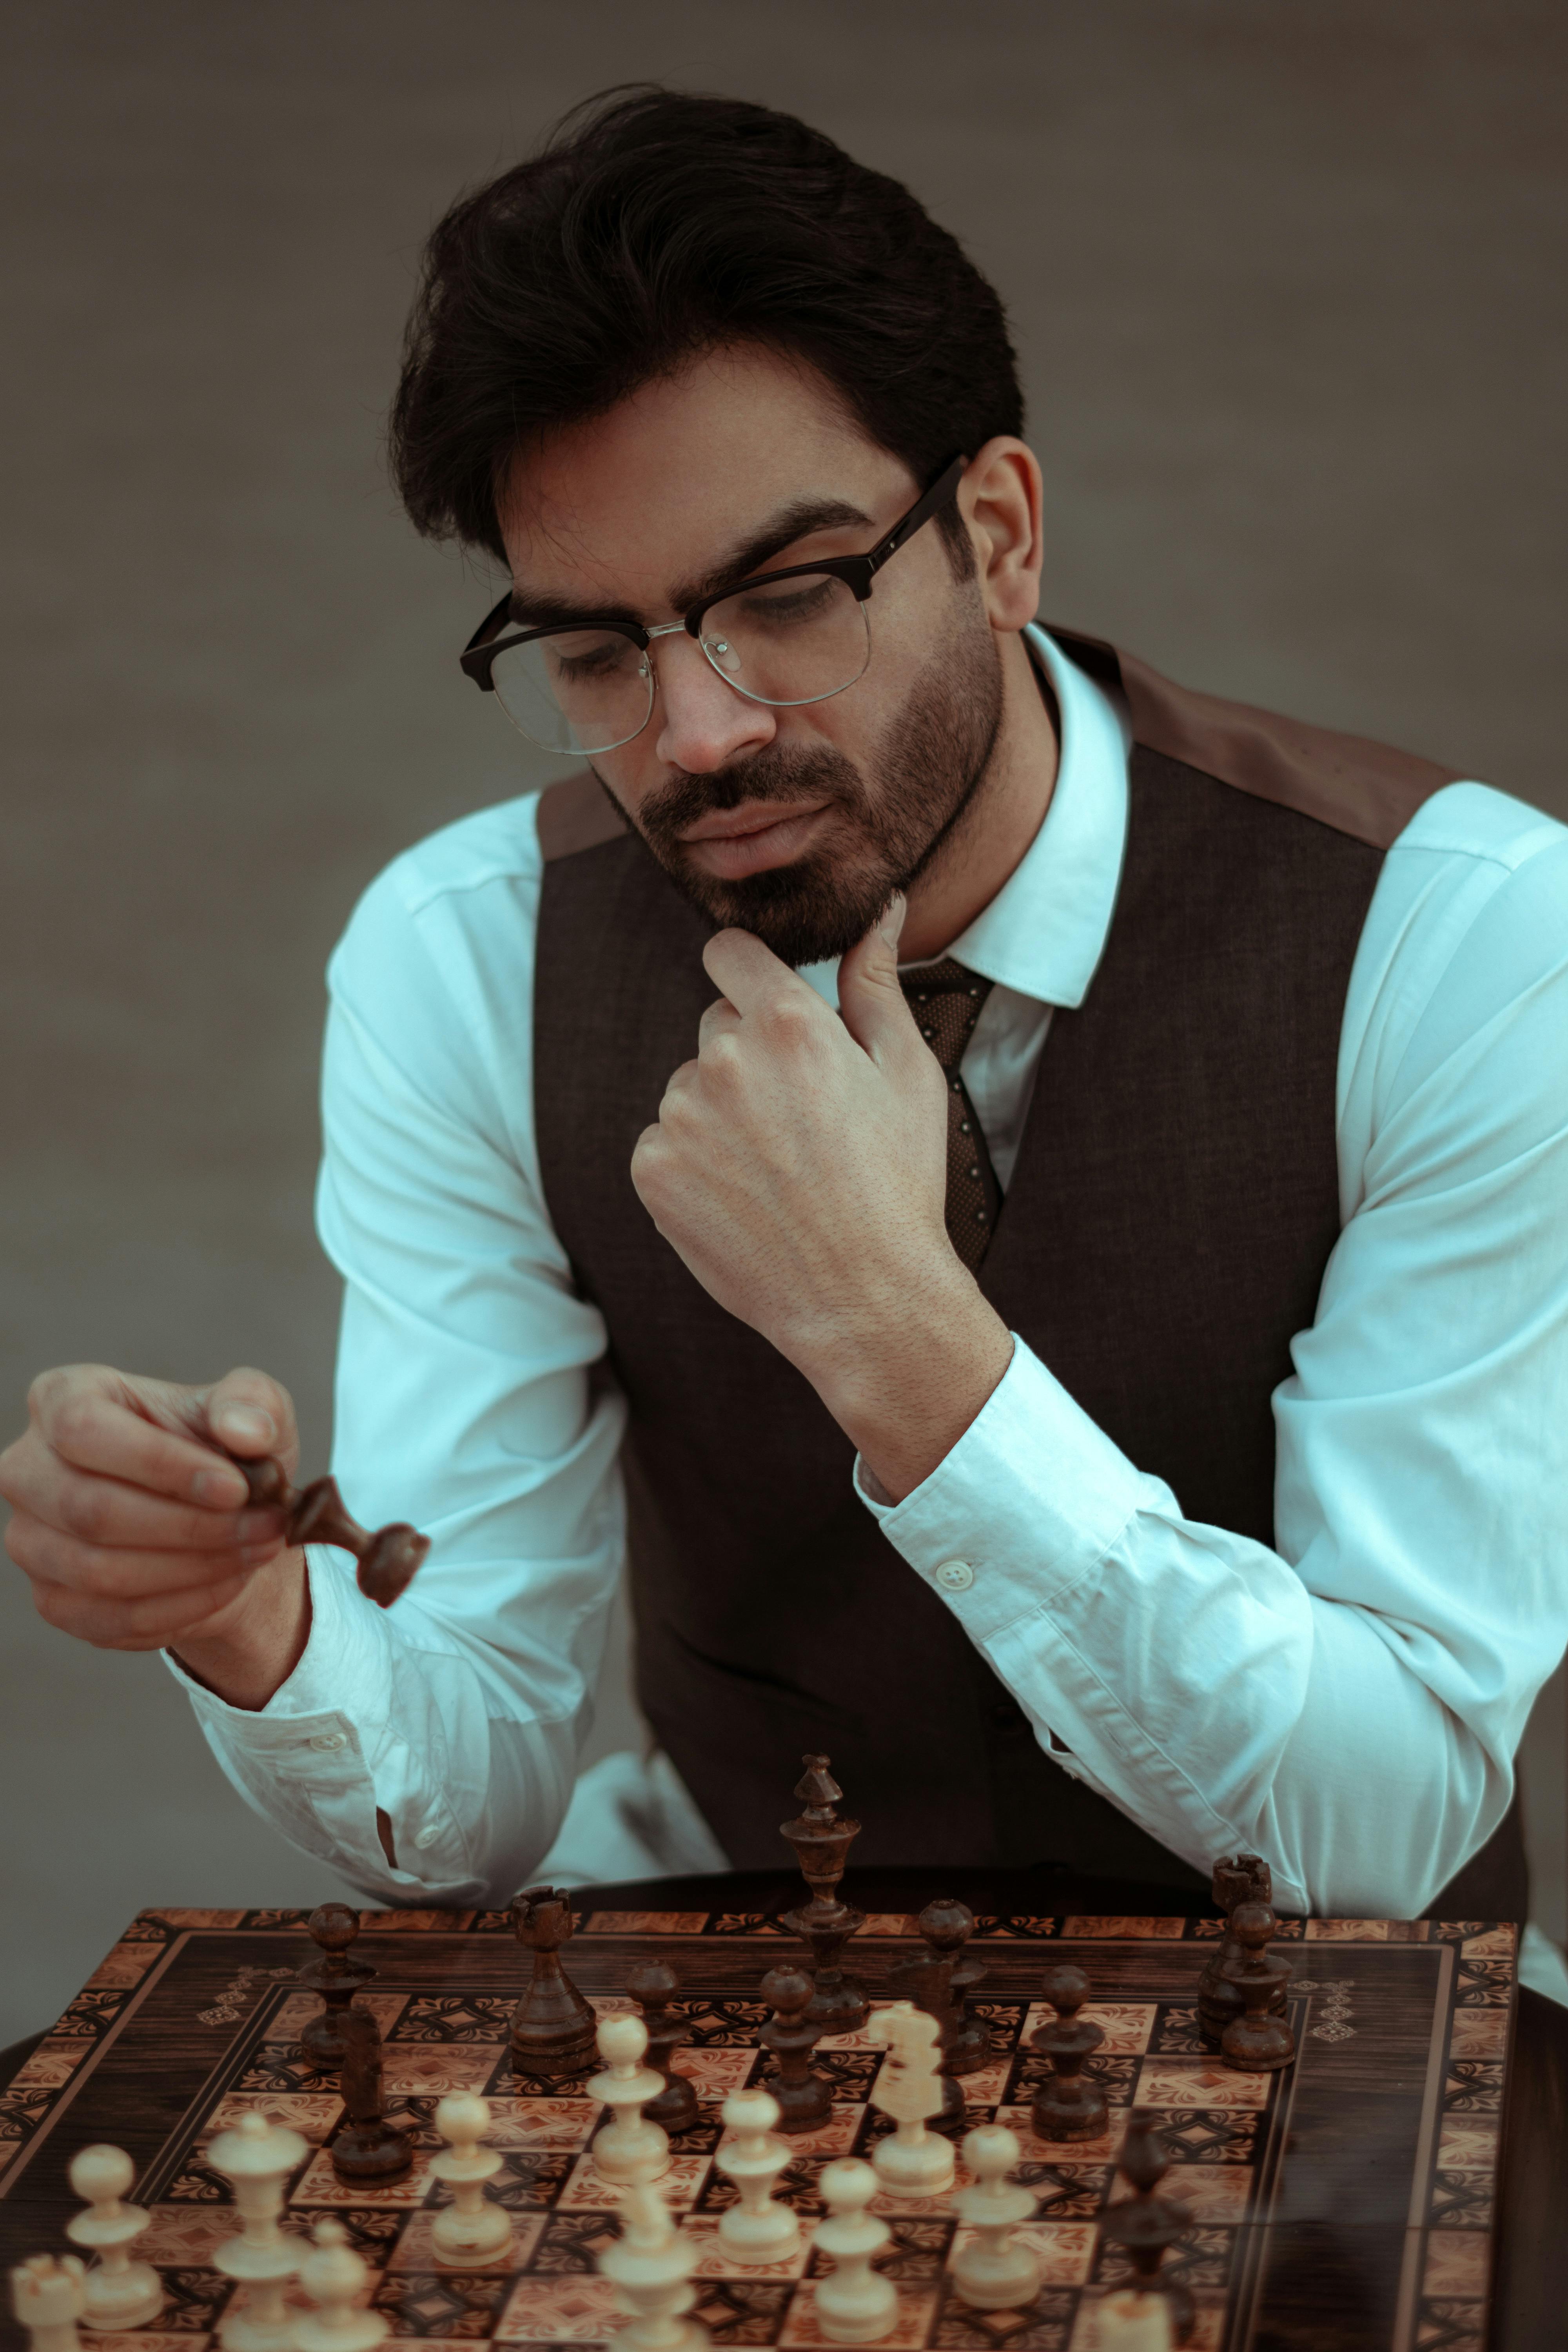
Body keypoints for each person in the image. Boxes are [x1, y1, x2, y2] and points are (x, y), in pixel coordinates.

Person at [4, 88, 1567, 1925]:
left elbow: (1380, 1836)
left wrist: (893, 1334)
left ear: (994, 533)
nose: (699, 734)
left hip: (1358, 2065)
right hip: (739, 2017)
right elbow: (476, 1793)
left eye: (791, 596)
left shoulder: (1468, 939)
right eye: (594, 651)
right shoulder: (462, 960)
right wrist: (257, 1617)